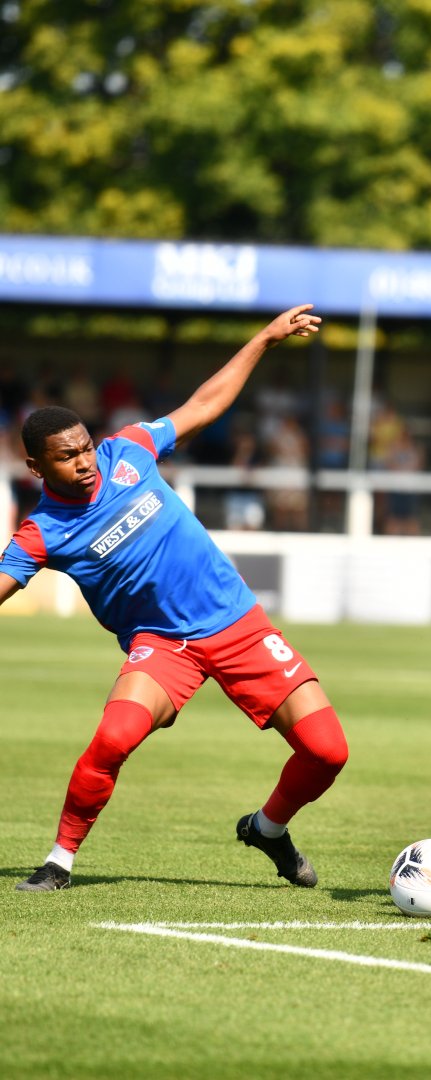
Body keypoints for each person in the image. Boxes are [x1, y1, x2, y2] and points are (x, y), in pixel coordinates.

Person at [5, 305, 349, 892]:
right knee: (112, 739)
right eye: (66, 456)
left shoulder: (129, 451)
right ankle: (59, 861)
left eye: (85, 447)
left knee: (328, 752)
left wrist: (266, 338)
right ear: (36, 467)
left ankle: (267, 828)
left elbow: (205, 405)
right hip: (163, 646)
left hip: (237, 624)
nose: (84, 462)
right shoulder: (42, 532)